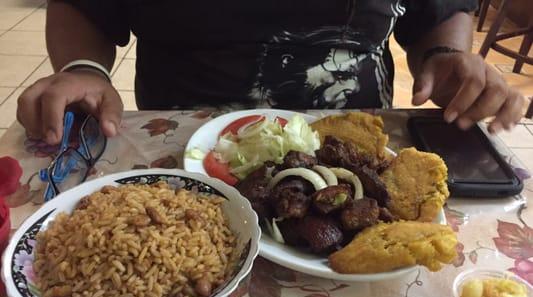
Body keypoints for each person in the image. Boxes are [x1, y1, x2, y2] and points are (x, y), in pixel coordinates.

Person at [17, 1, 525, 145]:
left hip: (359, 151)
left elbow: (436, 14)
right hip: (185, 151)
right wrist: (84, 69)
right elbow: (83, 7)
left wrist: (444, 57)